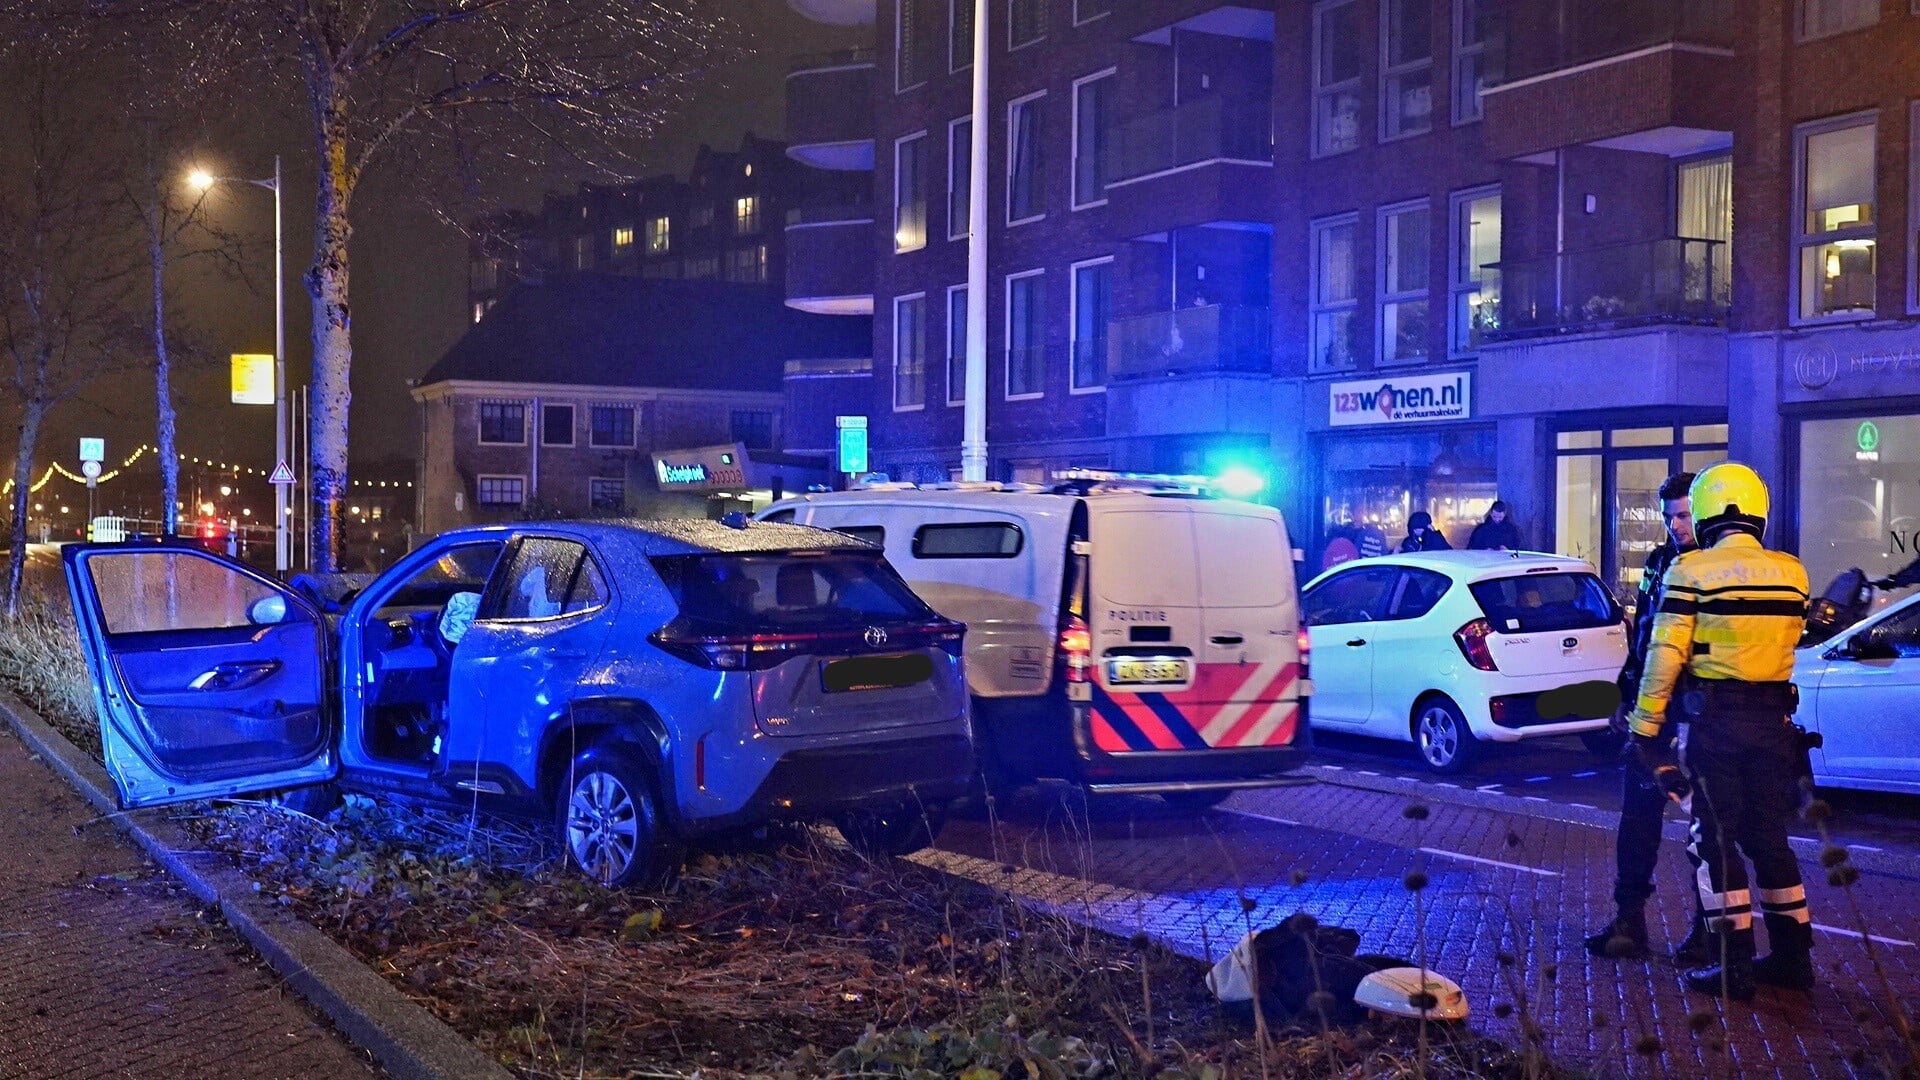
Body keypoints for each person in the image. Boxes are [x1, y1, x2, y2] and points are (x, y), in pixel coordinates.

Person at [1626, 462, 1814, 1001]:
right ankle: (1793, 959)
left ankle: (1733, 967)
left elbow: (1664, 657)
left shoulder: (1691, 572)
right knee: (1770, 841)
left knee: (1714, 842)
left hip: (1718, 723)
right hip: (1774, 722)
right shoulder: (1792, 572)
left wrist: (1644, 727)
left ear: (1706, 510)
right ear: (1757, 511)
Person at [1584, 472, 1707, 962]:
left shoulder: (1712, 569)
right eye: (1668, 516)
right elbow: (1645, 639)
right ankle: (1629, 921)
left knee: (1705, 832)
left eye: (1684, 515)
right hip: (1648, 718)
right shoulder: (1658, 563)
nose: (1675, 525)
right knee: (1636, 823)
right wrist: (1625, 694)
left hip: (1692, 719)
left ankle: (1708, 928)